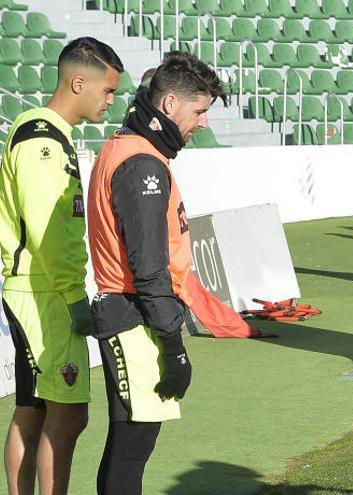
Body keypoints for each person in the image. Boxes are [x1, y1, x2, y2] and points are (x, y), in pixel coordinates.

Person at [87, 51, 228, 494]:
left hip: (131, 312)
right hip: (132, 316)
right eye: (199, 111)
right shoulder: (143, 164)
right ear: (168, 105)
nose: (203, 123)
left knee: (128, 445)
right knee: (132, 447)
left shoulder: (135, 150)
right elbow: (148, 268)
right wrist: (173, 347)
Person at [0, 37, 122, 495]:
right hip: (44, 295)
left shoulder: (50, 135)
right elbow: (46, 232)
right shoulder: (42, 140)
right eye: (107, 91)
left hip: (41, 291)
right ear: (78, 82)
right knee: (66, 415)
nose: (111, 101)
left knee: (33, 410)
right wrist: (74, 298)